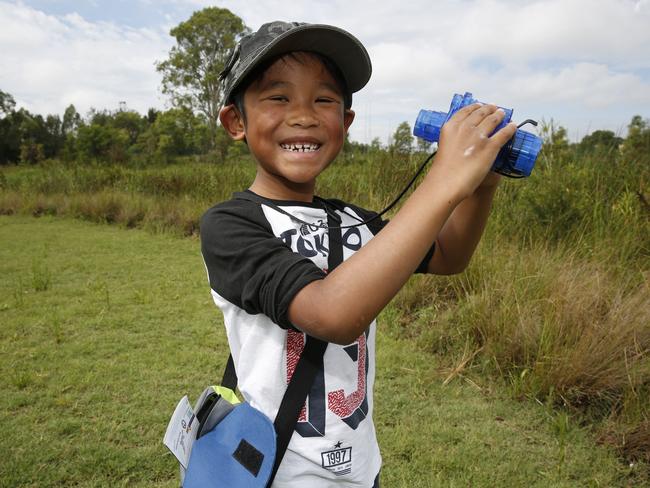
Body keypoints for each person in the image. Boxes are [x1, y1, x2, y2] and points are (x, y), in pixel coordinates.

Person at [200, 20, 516, 487]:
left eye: (324, 99)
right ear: (236, 122)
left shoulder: (354, 222)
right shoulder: (230, 225)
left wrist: (480, 184)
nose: (304, 115)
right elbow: (333, 313)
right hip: (278, 471)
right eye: (278, 97)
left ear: (345, 123)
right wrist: (444, 179)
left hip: (361, 469)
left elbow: (448, 254)